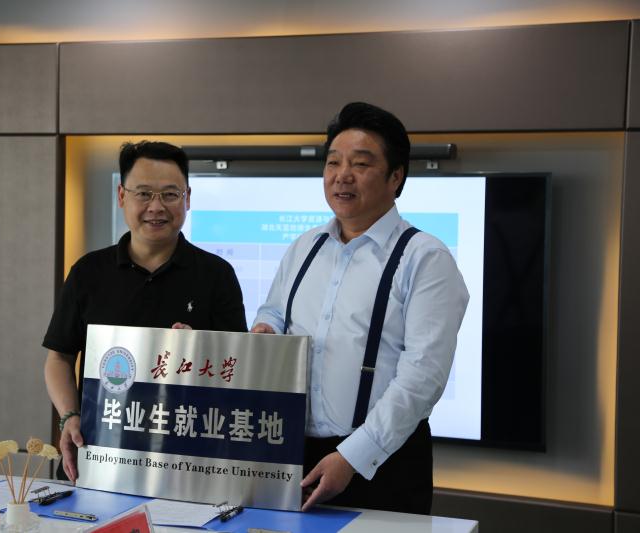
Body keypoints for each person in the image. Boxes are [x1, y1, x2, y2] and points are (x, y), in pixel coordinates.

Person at [251, 102, 469, 514]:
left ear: (396, 176)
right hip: (291, 452)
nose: (342, 175)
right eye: (333, 162)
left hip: (382, 462)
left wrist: (353, 456)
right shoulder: (305, 247)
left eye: (361, 163)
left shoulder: (425, 258)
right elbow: (274, 311)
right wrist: (266, 329)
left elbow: (423, 376)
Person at [43, 140, 247, 481]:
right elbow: (59, 358)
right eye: (144, 194)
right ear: (122, 196)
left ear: (187, 198)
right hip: (100, 451)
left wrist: (201, 350)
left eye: (170, 194)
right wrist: (69, 416)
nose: (156, 206)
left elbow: (237, 369)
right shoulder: (88, 272)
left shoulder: (217, 275)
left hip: (186, 460)